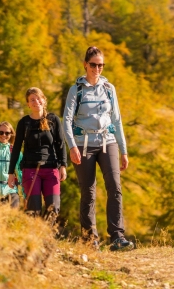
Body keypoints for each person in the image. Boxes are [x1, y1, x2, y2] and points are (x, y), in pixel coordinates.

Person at [63, 46, 134, 251]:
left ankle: (117, 237)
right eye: (93, 65)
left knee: (115, 186)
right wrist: (72, 146)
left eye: (100, 65)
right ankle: (89, 239)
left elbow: (117, 120)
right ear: (85, 64)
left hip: (107, 141)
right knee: (88, 192)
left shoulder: (109, 89)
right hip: (83, 144)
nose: (97, 69)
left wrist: (124, 150)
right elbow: (66, 120)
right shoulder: (76, 89)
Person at [8, 87, 67, 220]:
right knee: (33, 210)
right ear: (28, 104)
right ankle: (35, 238)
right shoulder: (24, 123)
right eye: (32, 100)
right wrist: (11, 173)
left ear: (44, 100)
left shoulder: (53, 119)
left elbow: (61, 144)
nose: (36, 102)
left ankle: (46, 236)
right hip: (30, 170)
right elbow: (16, 148)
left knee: (54, 208)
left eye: (38, 98)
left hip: (51, 169)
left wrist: (63, 165)